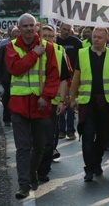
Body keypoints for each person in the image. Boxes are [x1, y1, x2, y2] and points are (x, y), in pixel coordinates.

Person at [5, 13, 66, 199]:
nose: (29, 29)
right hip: (19, 106)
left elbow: (54, 75)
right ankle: (23, 185)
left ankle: (32, 172)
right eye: (25, 26)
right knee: (23, 147)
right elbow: (15, 68)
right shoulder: (11, 46)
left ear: (37, 26)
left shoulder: (47, 48)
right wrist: (34, 55)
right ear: (19, 28)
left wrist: (46, 96)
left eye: (32, 25)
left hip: (41, 106)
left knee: (40, 146)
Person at [69, 27, 109, 182]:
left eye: (100, 37)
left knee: (104, 136)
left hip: (106, 102)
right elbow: (76, 78)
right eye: (94, 36)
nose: (96, 39)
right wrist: (72, 98)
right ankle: (89, 168)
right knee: (87, 136)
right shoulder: (82, 53)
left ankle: (97, 162)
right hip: (87, 102)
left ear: (106, 39)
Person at [37, 25, 72, 182]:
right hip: (34, 101)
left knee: (49, 138)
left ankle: (43, 171)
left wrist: (63, 100)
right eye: (45, 35)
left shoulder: (59, 51)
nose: (48, 38)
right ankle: (34, 167)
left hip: (53, 101)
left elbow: (64, 79)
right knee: (35, 138)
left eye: (51, 35)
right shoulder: (34, 50)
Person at [55, 22, 82, 140]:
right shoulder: (55, 41)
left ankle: (70, 130)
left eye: (68, 29)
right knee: (61, 102)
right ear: (60, 28)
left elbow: (82, 58)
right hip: (59, 77)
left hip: (73, 76)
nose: (66, 32)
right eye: (64, 29)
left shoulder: (76, 42)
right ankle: (61, 129)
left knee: (71, 102)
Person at [0, 25, 19, 126]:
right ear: (10, 37)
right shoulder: (5, 48)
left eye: (18, 36)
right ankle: (7, 119)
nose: (16, 38)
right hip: (6, 79)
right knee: (6, 100)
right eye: (14, 36)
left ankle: (15, 117)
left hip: (17, 80)